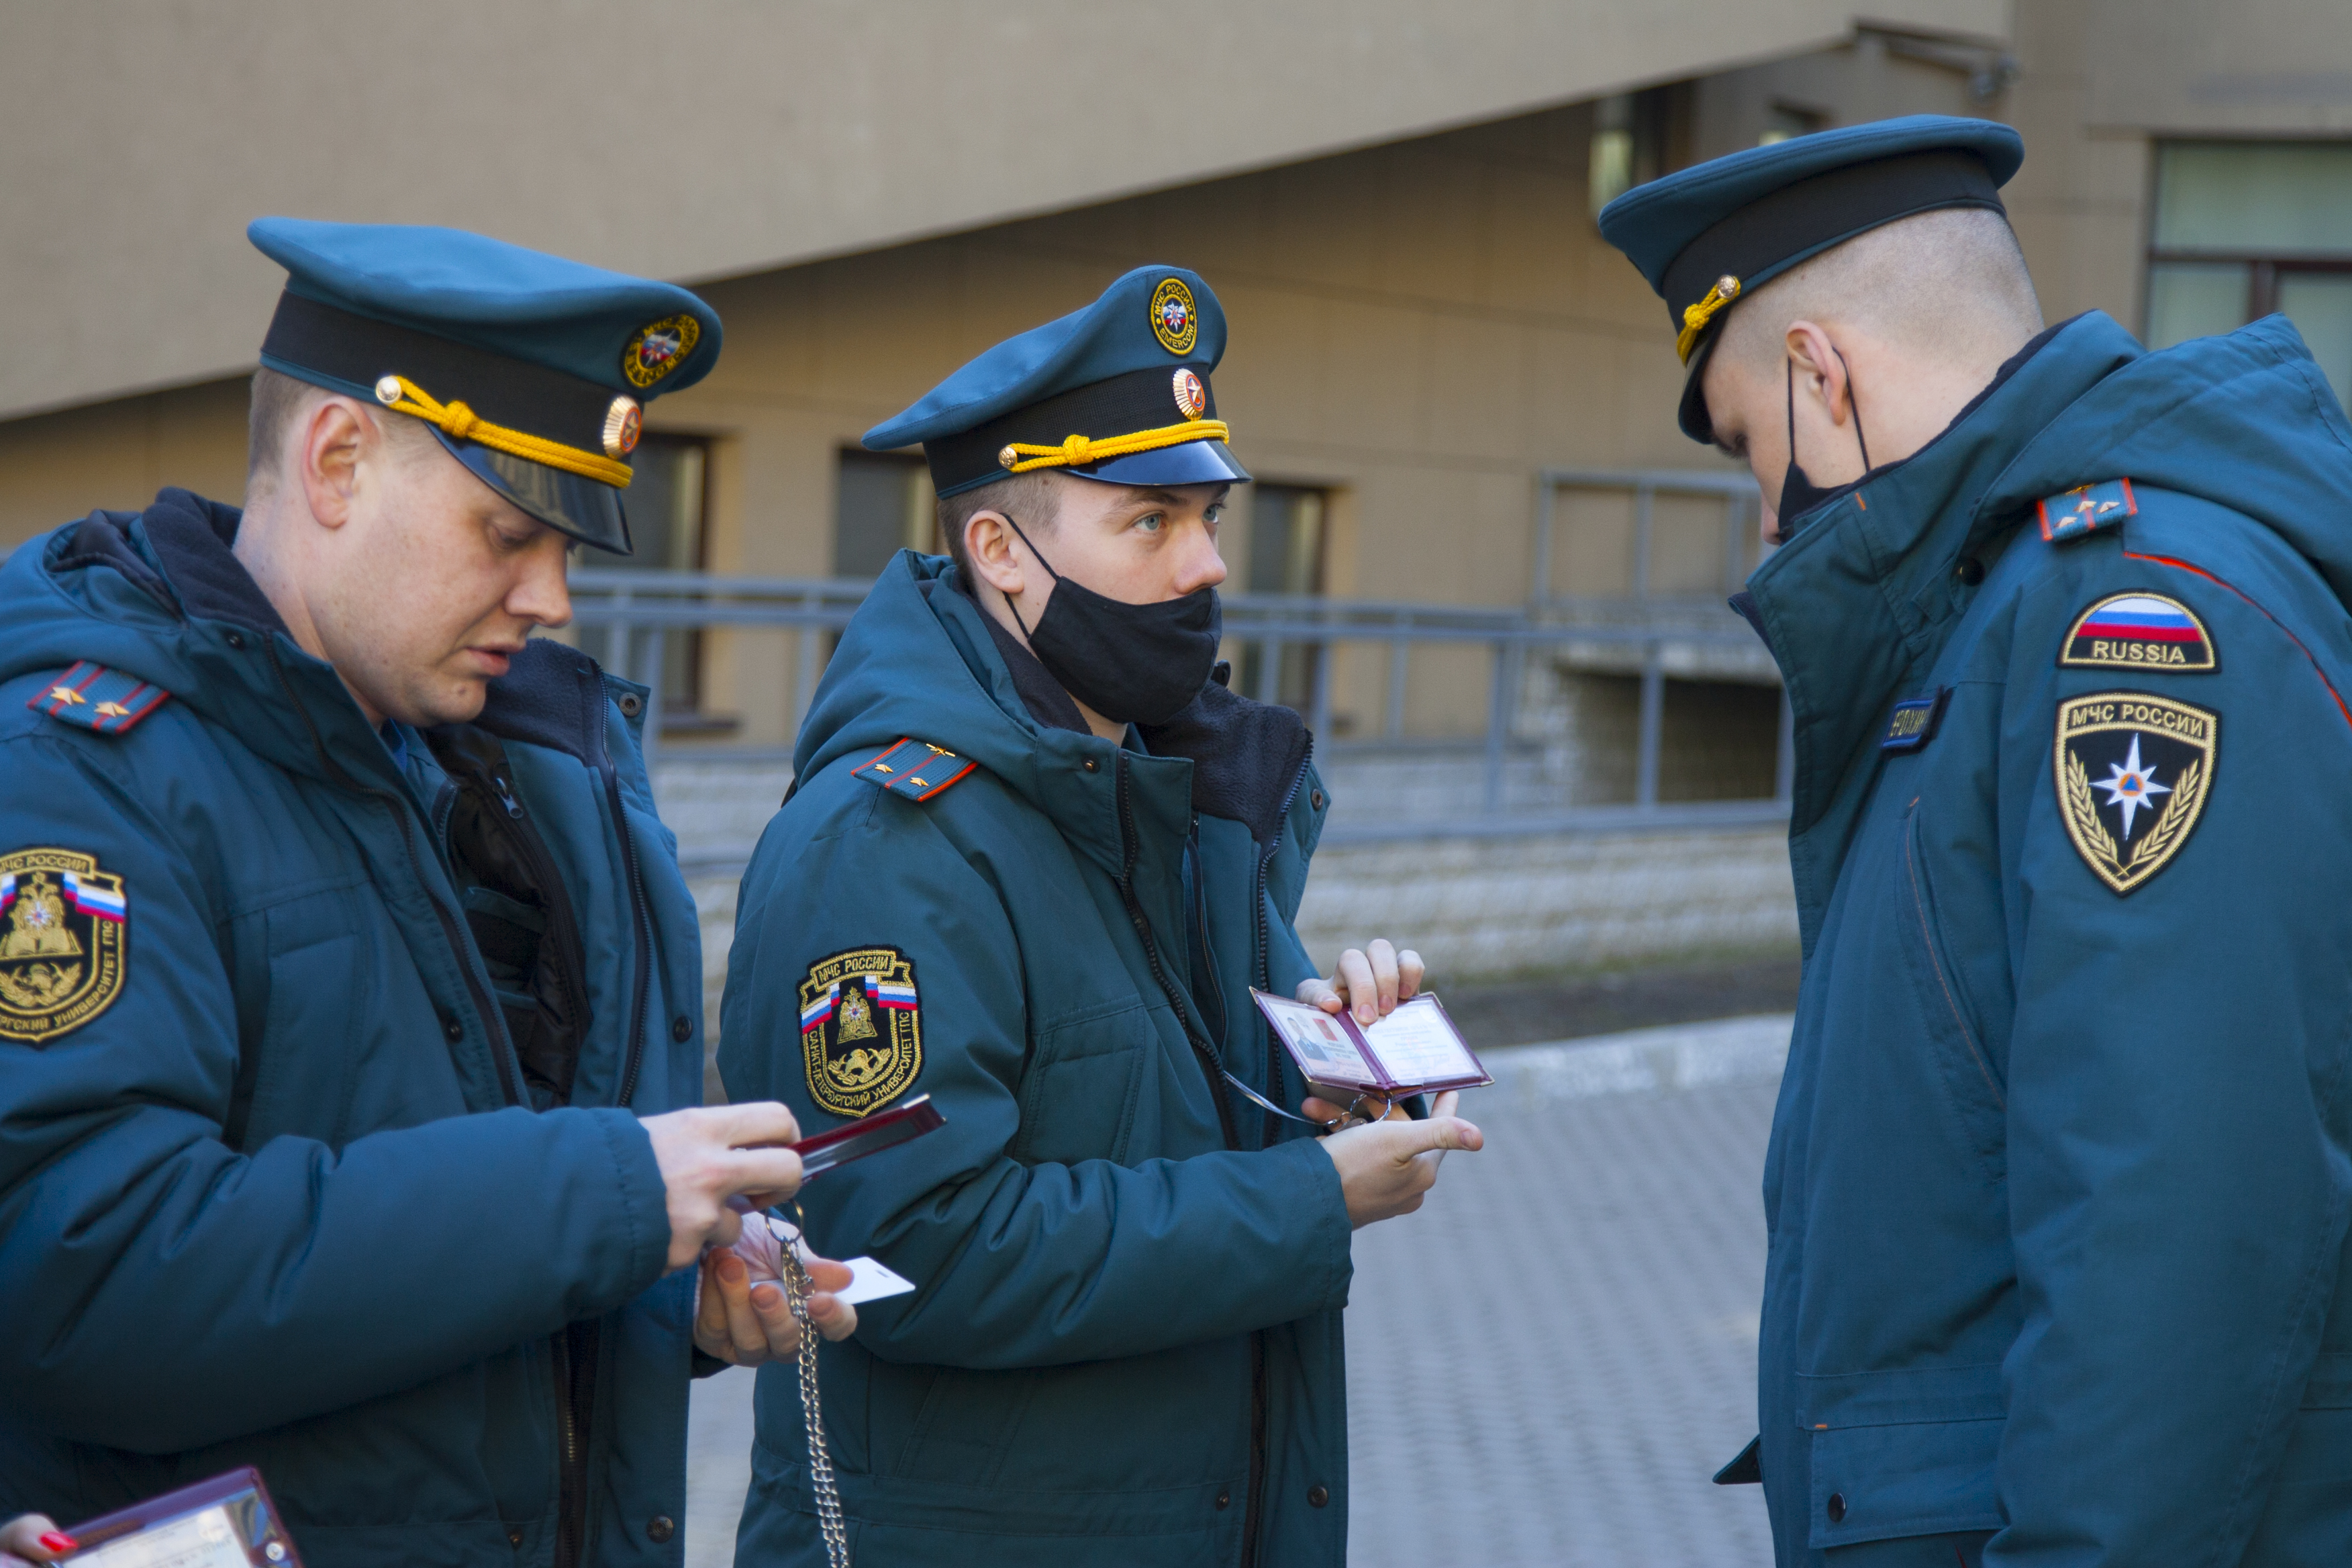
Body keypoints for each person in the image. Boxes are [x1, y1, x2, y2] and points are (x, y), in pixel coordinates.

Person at [0, 219, 856, 1567]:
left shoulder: (519, 759)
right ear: (337, 459)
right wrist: (612, 1192)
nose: (554, 597)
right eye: (509, 530)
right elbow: (84, 1280)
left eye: (572, 545)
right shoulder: (77, 768)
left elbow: (476, 1236)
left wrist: (669, 1290)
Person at [1599, 115, 2352, 1564]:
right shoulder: (2012, 609)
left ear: (1826, 372)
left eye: (1757, 448)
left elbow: (2173, 1223)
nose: (1766, 522)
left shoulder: (2131, 625)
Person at [719, 265, 1482, 1567]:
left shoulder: (1158, 792)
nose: (1209, 563)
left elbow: (1176, 1112)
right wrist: (1307, 1201)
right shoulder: (889, 836)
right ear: (1002, 554)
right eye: (1150, 522)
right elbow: (904, 1251)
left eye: (1209, 515)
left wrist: (1331, 1071)